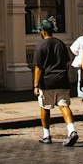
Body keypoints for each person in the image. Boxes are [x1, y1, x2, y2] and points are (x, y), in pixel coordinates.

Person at [33, 18, 77, 146]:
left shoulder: (40, 46)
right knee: (64, 105)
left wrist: (36, 85)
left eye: (40, 30)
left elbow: (38, 67)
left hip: (47, 82)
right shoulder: (60, 44)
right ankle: (71, 130)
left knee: (44, 107)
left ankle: (46, 135)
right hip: (62, 79)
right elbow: (66, 62)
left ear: (43, 31)